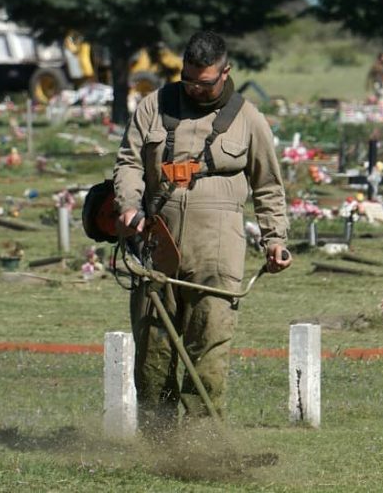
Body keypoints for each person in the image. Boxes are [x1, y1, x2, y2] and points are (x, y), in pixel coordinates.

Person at [113, 30, 291, 427]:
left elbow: (268, 184)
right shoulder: (152, 107)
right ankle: (159, 445)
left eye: (205, 82)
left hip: (218, 251)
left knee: (208, 349)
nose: (194, 88)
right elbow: (128, 163)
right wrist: (128, 205)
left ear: (225, 72)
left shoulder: (248, 119)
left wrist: (275, 239)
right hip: (155, 245)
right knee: (153, 350)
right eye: (187, 79)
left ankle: (202, 444)